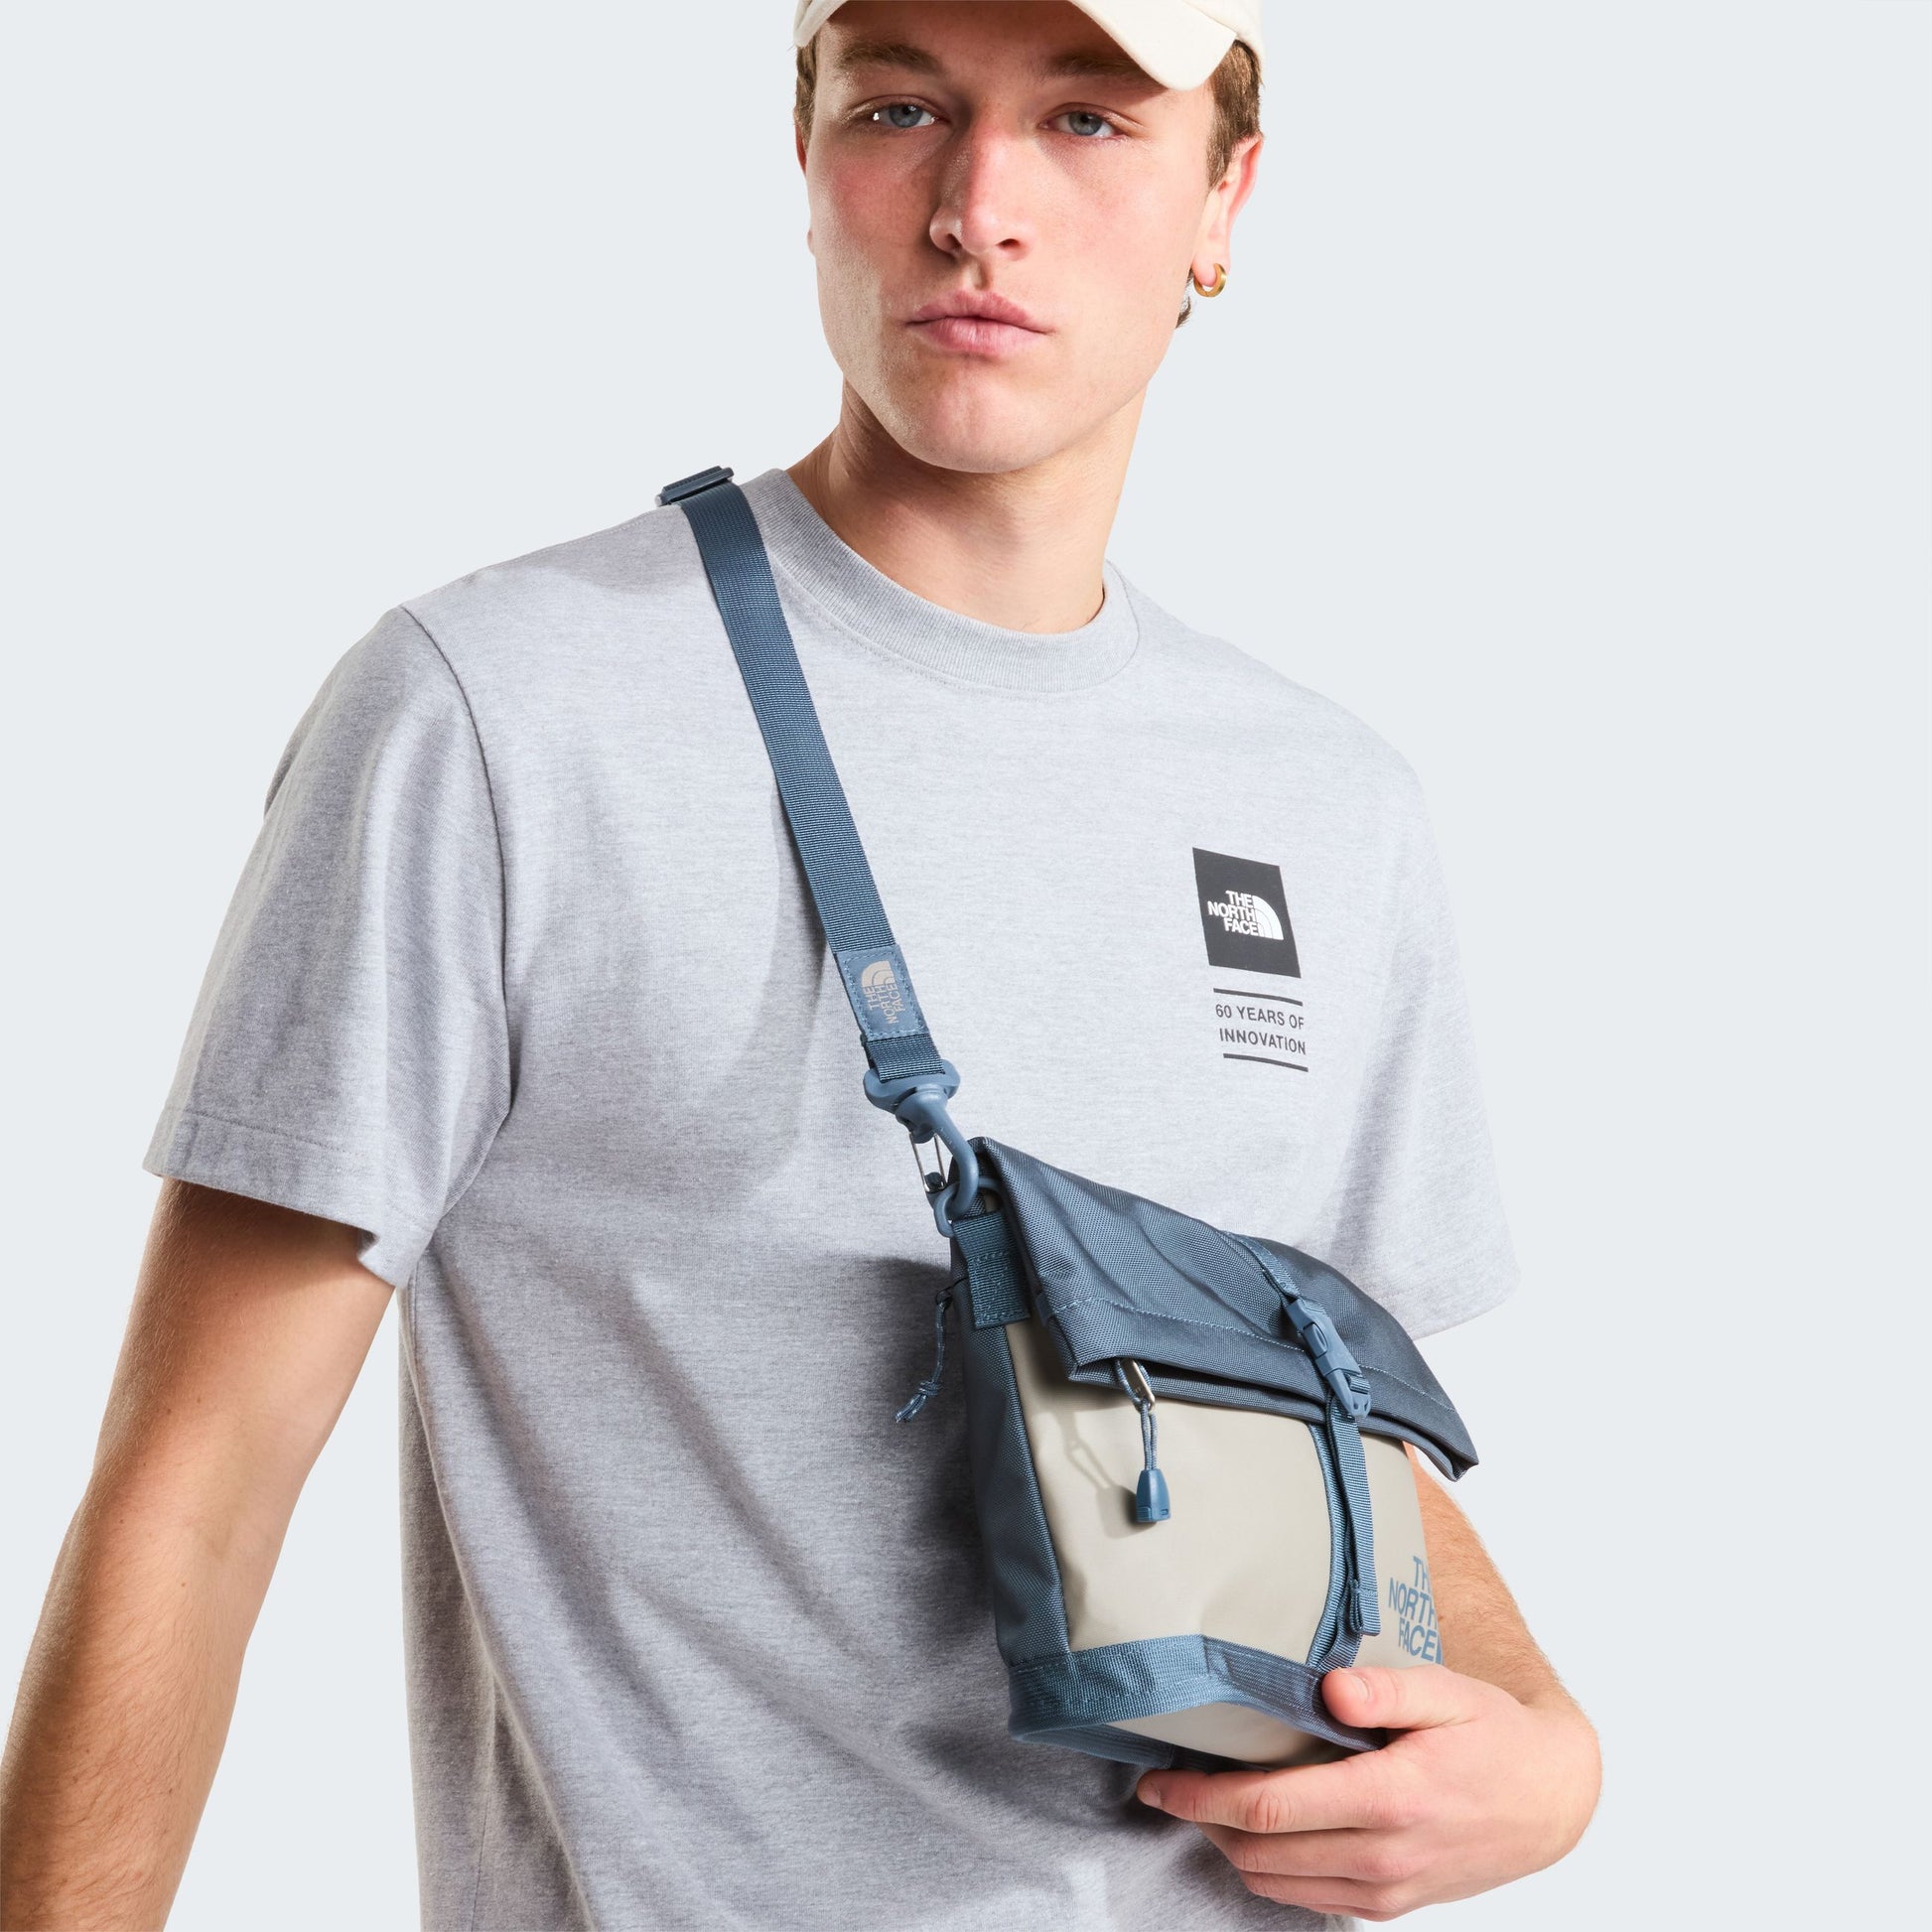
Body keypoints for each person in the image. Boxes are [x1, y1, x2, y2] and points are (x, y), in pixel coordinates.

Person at [0, 2, 1600, 1925]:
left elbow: (1336, 1427)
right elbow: (194, 1494)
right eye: (902, 106)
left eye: (1087, 120)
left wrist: (1539, 1740)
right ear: (805, 149)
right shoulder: (500, 713)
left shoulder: (1329, 803)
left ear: (1223, 201)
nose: (977, 206)